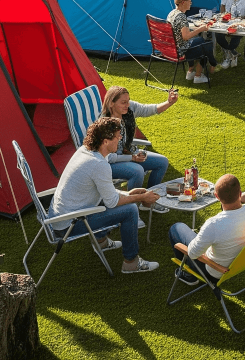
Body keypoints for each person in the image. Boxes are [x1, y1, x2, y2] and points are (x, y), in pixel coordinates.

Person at [49, 116, 161, 274]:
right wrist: (141, 198)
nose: (120, 138)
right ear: (105, 141)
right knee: (130, 210)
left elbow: (105, 192)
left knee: (121, 202)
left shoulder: (86, 151)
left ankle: (101, 242)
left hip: (60, 216)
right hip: (69, 225)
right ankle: (131, 263)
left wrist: (127, 193)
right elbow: (112, 202)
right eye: (117, 136)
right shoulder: (99, 165)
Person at [170, 174, 245, 281]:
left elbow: (192, 253)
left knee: (176, 228)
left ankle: (190, 275)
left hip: (214, 271)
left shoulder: (213, 225)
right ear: (240, 193)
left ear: (217, 196)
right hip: (242, 262)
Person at [101, 85, 177, 207]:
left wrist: (169, 102)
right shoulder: (104, 124)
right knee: (137, 171)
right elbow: (108, 157)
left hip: (130, 153)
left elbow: (149, 109)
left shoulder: (129, 110)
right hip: (110, 163)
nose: (127, 105)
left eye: (128, 101)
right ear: (111, 103)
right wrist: (132, 158)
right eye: (123, 102)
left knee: (162, 162)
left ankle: (148, 201)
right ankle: (133, 207)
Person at [167, 0, 218, 83]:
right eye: (189, 1)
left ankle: (190, 72)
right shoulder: (181, 16)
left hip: (174, 47)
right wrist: (200, 29)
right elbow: (186, 37)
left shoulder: (172, 13)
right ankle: (199, 75)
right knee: (206, 45)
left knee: (200, 40)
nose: (191, 3)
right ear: (183, 2)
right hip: (181, 50)